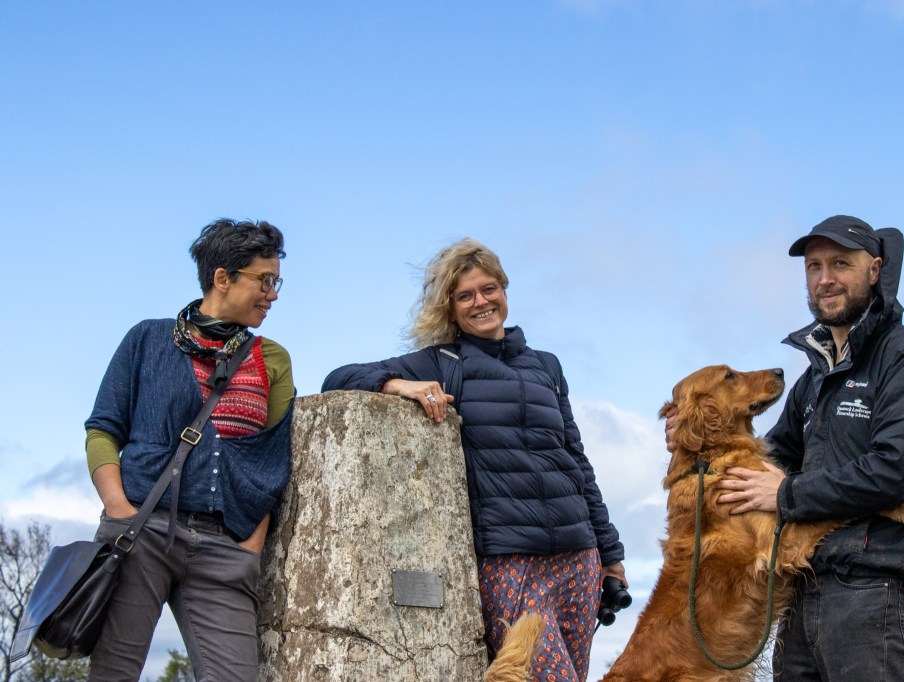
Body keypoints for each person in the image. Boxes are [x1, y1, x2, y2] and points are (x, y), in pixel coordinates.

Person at [322, 238, 626, 682]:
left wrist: (610, 554)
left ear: (504, 289)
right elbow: (339, 378)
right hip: (508, 560)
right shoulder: (443, 362)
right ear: (450, 307)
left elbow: (576, 461)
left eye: (488, 289)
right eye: (465, 295)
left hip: (578, 558)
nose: (481, 302)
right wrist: (397, 384)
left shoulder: (547, 366)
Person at [671, 215, 904, 681]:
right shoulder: (814, 378)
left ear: (875, 270)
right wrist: (693, 439)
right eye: (814, 266)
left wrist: (786, 496)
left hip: (871, 589)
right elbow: (770, 454)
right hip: (797, 591)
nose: (825, 278)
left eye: (841, 264)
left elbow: (895, 472)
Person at [85, 219, 294, 681]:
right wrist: (118, 507)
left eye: (276, 281)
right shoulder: (147, 339)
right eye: (265, 280)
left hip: (225, 547)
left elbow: (273, 458)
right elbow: (103, 429)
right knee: (113, 673)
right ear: (223, 278)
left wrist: (251, 546)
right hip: (141, 530)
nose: (273, 293)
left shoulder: (272, 357)